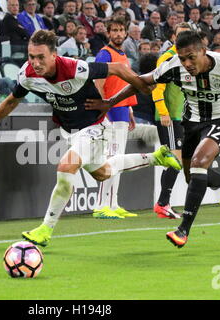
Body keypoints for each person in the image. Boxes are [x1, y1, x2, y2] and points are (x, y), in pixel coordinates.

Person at [0, 29, 182, 246]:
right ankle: (156, 157)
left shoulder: (73, 68)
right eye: (31, 57)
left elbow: (117, 68)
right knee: (102, 172)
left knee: (65, 167)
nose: (36, 63)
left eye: (41, 57)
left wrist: (136, 87)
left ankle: (45, 229)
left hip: (95, 127)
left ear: (54, 55)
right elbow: (12, 100)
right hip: (70, 132)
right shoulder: (27, 75)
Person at [86, 30, 220, 248]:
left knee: (199, 164)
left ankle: (183, 229)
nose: (186, 63)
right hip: (192, 122)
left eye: (191, 57)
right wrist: (110, 101)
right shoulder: (174, 65)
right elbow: (143, 82)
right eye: (183, 58)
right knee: (191, 176)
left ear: (203, 51)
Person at [92, 17, 139, 219]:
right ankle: (101, 205)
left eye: (121, 30)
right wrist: (102, 110)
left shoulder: (122, 55)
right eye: (115, 30)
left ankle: (113, 202)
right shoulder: (105, 54)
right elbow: (98, 83)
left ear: (126, 33)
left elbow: (123, 86)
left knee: (118, 158)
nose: (118, 33)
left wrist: (129, 110)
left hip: (121, 110)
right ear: (108, 33)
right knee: (110, 158)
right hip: (110, 112)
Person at [151, 22, 191, 219]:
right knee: (174, 160)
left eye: (188, 34)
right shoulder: (167, 58)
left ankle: (164, 203)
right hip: (169, 117)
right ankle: (162, 203)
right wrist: (163, 112)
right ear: (174, 37)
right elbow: (157, 87)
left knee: (174, 161)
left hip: (180, 117)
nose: (184, 37)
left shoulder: (189, 58)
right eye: (181, 34)